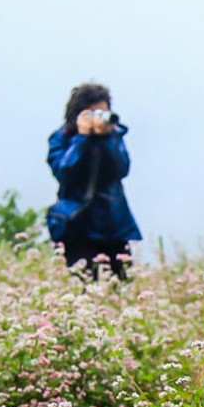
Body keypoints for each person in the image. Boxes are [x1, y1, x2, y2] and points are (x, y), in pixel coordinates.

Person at [47, 82, 142, 281]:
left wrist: (107, 137)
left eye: (103, 112)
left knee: (121, 290)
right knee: (85, 290)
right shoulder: (62, 138)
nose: (99, 117)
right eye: (94, 113)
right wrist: (82, 138)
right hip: (79, 228)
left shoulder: (113, 136)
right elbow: (64, 171)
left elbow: (121, 168)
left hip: (115, 226)